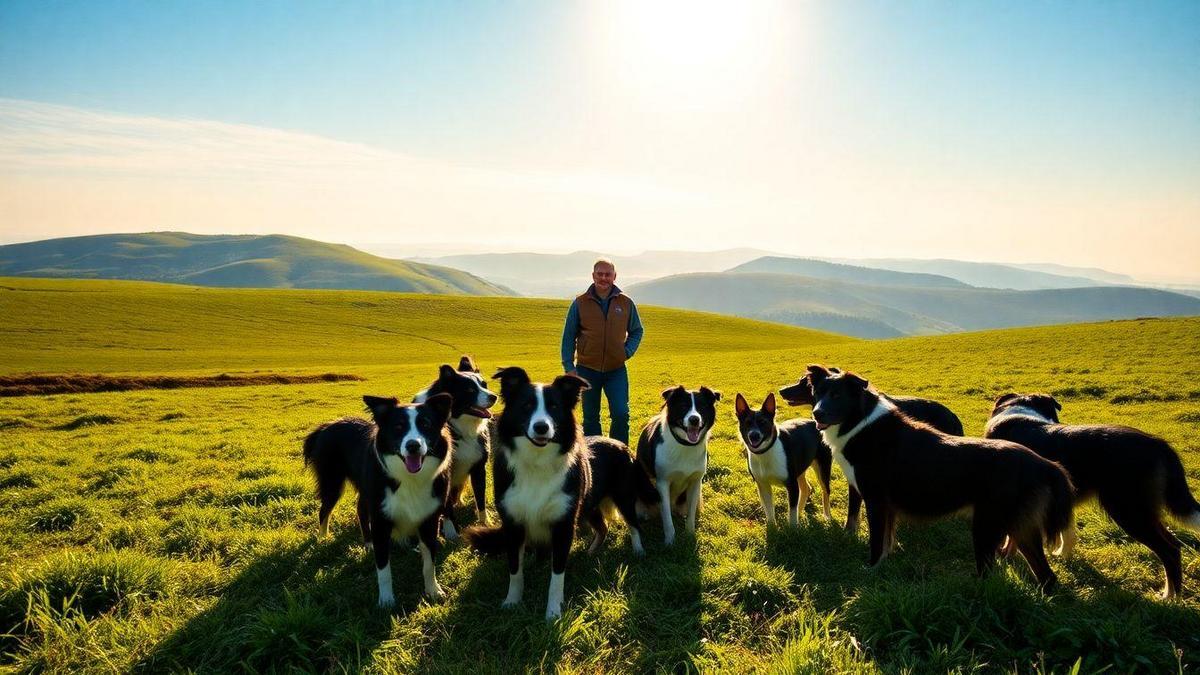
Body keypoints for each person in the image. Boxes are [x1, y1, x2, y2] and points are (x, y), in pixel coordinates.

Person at [561, 259, 643, 444]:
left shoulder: (625, 302)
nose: (603, 278)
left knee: (621, 414)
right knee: (590, 418)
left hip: (616, 370)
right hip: (586, 369)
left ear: (615, 276)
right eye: (600, 274)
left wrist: (627, 351)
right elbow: (568, 336)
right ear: (593, 276)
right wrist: (568, 366)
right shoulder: (580, 303)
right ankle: (594, 459)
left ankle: (621, 456)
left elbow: (637, 330)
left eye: (608, 274)